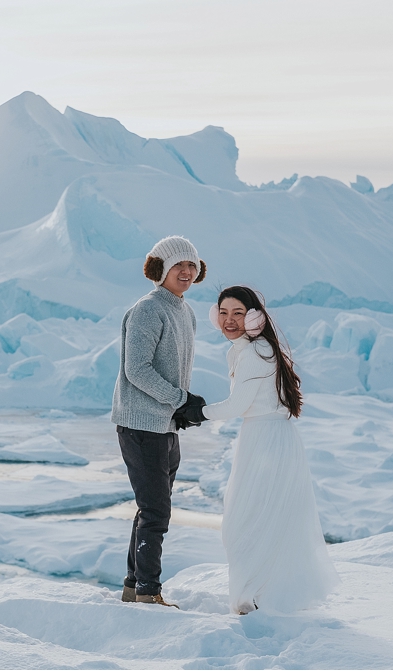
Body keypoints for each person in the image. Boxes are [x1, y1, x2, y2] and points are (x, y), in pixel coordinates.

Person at [176, 286, 340, 614]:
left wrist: (197, 412)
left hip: (266, 441)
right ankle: (261, 595)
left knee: (246, 520)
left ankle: (257, 597)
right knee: (262, 518)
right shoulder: (248, 348)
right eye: (223, 313)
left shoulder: (254, 352)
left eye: (238, 313)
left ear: (254, 316)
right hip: (266, 437)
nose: (229, 320)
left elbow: (239, 404)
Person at [111, 236, 208, 607]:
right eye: (178, 265)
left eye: (192, 265)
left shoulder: (185, 311)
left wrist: (177, 408)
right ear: (160, 270)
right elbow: (136, 370)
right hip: (141, 426)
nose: (186, 272)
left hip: (164, 425)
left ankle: (134, 587)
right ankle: (149, 593)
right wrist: (181, 400)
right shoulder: (148, 310)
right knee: (156, 512)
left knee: (151, 508)